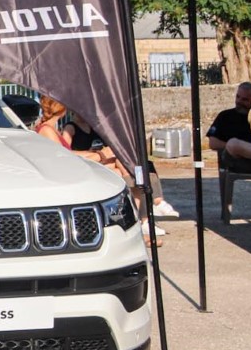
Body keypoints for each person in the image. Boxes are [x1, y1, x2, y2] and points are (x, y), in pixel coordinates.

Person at [33, 96, 169, 243]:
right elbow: (64, 156)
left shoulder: (52, 129)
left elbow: (69, 153)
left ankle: (139, 222)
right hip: (69, 173)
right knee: (123, 174)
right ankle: (142, 216)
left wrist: (97, 154)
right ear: (61, 110)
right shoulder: (48, 130)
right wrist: (100, 155)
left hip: (74, 167)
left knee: (125, 170)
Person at [206, 81, 251, 172]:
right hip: (236, 160)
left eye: (245, 99)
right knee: (233, 143)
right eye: (238, 97)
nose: (239, 101)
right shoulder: (225, 116)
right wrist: (239, 148)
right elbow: (213, 143)